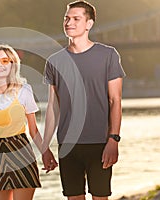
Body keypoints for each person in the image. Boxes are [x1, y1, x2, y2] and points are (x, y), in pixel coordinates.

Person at [42, 1, 126, 200]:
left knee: (100, 197)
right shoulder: (54, 61)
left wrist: (113, 140)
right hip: (68, 145)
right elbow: (53, 107)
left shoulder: (108, 55)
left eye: (76, 19)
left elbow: (115, 100)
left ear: (89, 24)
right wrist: (45, 147)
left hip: (100, 143)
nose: (69, 22)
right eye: (67, 18)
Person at [0, 44, 44, 200]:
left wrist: (46, 153)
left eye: (5, 61)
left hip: (23, 157)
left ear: (13, 64)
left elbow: (33, 130)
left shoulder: (24, 91)